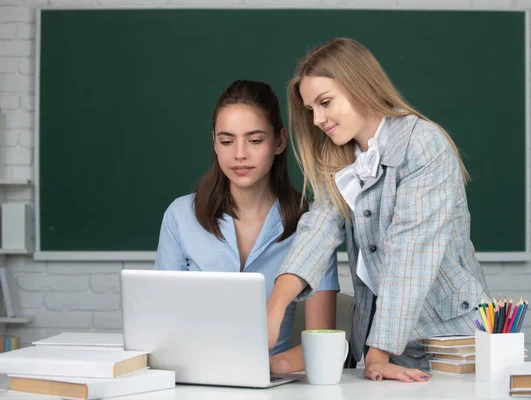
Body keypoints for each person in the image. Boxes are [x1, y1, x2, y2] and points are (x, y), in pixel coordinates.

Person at [265, 38, 491, 382]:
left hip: (449, 342)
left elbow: (410, 256)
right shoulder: (337, 157)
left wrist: (378, 353)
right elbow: (318, 231)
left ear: (360, 85)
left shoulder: (423, 144)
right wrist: (276, 305)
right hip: (380, 345)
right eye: (311, 109)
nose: (318, 119)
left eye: (325, 103)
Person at [154, 80, 339, 374]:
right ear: (214, 143)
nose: (239, 154)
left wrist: (262, 367)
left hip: (271, 381)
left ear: (279, 141)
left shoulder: (314, 225)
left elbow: (322, 344)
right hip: (191, 377)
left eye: (255, 140)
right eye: (227, 141)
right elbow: (159, 327)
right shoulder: (180, 216)